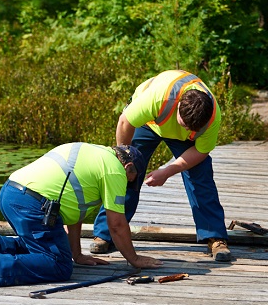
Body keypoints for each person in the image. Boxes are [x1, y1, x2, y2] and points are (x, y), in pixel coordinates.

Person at [0, 143, 163, 289]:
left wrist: (77, 254)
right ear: (128, 167)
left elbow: (75, 215)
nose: (127, 186)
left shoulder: (96, 153)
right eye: (130, 181)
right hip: (33, 202)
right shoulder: (115, 171)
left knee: (51, 248)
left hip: (10, 192)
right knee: (59, 265)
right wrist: (134, 259)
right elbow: (117, 225)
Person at [90, 69, 232, 262]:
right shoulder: (159, 98)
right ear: (179, 106)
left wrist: (168, 170)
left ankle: (215, 238)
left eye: (193, 128)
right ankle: (105, 234)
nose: (187, 129)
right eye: (184, 124)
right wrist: (126, 160)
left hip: (183, 134)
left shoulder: (212, 117)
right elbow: (125, 122)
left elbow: (200, 151)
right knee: (124, 176)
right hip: (149, 123)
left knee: (201, 178)